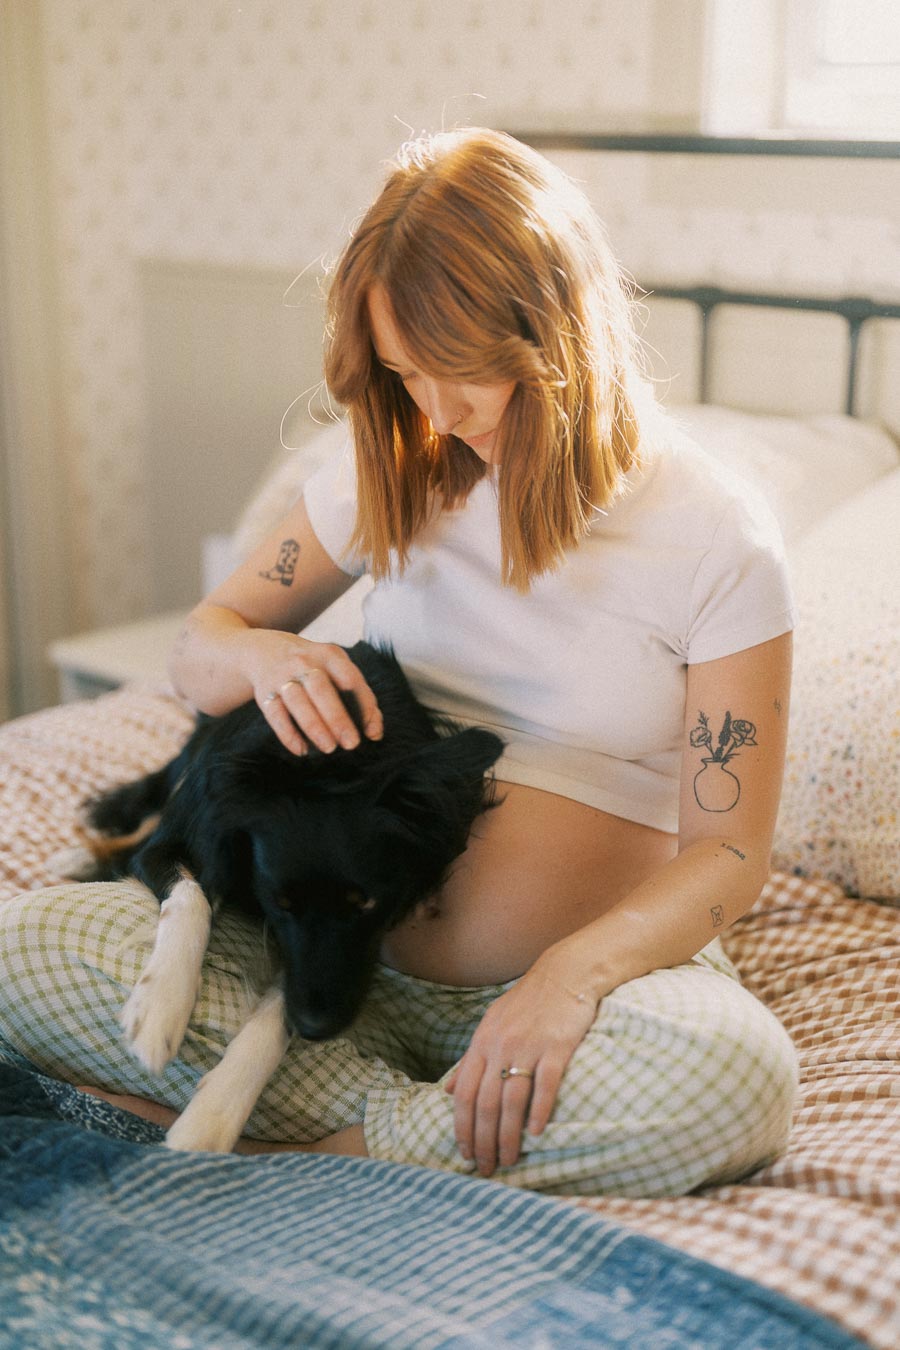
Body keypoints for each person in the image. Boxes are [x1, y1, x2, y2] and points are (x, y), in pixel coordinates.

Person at [0, 128, 798, 1197]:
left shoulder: (717, 540)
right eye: (405, 374)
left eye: (460, 372)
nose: (432, 412)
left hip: (589, 985)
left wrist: (568, 975)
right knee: (27, 947)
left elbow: (732, 854)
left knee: (735, 1081)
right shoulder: (393, 470)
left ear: (552, 331)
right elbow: (202, 645)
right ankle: (431, 1124)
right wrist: (264, 658)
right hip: (326, 968)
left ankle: (293, 1138)